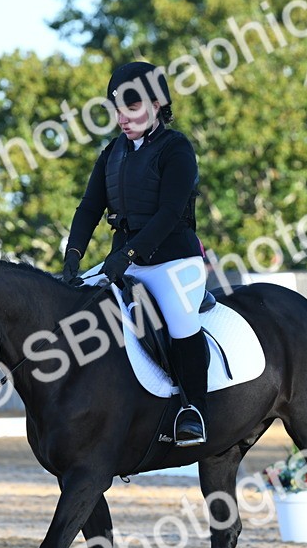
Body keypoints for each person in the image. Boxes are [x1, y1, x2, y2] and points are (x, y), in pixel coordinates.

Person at [62, 61, 209, 446]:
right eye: (117, 110)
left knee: (179, 320)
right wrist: (73, 255)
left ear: (157, 103)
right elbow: (89, 207)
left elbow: (168, 213)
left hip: (174, 262)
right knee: (73, 304)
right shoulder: (112, 152)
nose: (122, 119)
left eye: (131, 109)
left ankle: (193, 410)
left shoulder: (177, 149)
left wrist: (125, 257)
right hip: (124, 260)